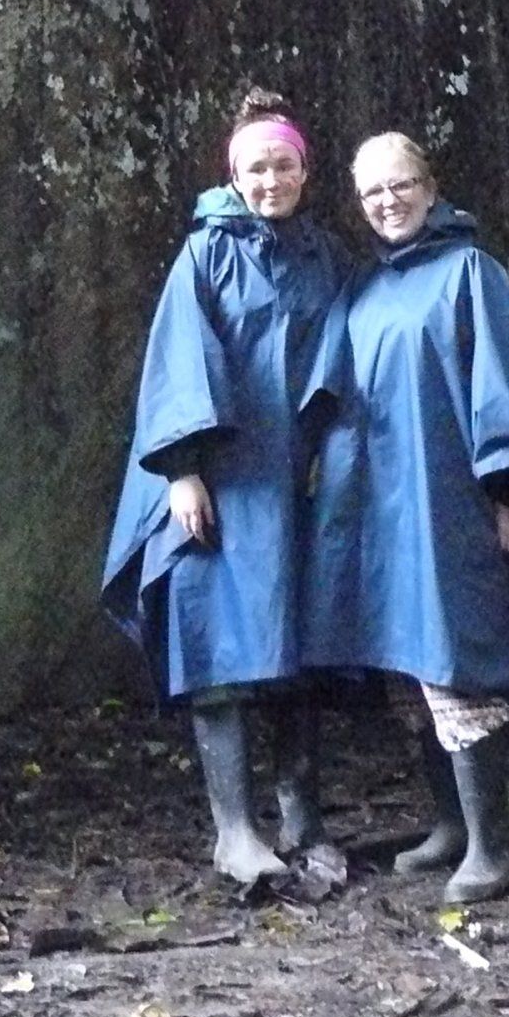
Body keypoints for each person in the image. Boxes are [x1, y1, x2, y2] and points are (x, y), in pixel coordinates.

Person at [302, 133, 509, 903]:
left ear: (430, 188)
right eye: (372, 193)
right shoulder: (365, 289)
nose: (388, 202)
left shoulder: (472, 274)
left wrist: (508, 496)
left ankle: (494, 846)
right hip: (385, 517)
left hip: (452, 509)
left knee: (454, 660)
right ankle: (451, 825)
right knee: (410, 667)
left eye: (400, 186)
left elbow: (502, 389)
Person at [102, 90, 350, 883]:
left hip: (302, 483)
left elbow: (347, 358)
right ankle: (236, 833)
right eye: (255, 168)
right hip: (223, 486)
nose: (269, 179)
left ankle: (305, 824)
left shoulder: (324, 256)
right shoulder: (206, 255)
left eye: (283, 165)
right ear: (232, 175)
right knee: (222, 653)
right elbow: (180, 363)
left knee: (299, 653)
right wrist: (183, 475)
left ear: (305, 171)